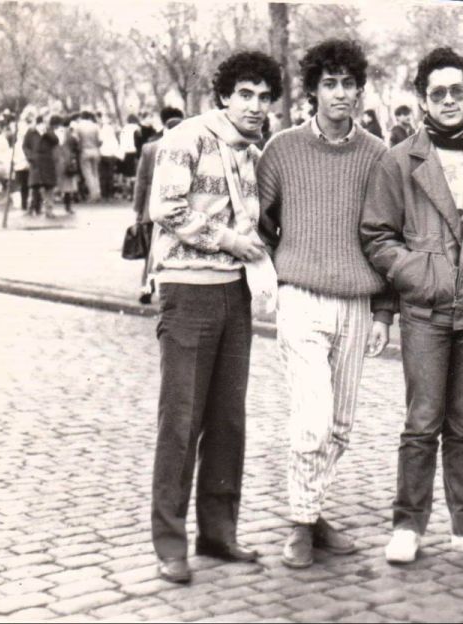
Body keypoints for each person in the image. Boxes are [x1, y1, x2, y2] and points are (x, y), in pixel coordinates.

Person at [362, 47, 463, 565]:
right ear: (423, 100)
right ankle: (407, 525)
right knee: (422, 421)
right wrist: (420, 274)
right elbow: (378, 235)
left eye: (457, 91)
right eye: (438, 93)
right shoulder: (399, 160)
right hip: (426, 312)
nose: (449, 101)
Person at [256, 38, 392, 570]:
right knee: (312, 419)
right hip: (301, 299)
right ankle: (300, 522)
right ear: (312, 90)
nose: (339, 93)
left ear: (360, 91)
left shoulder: (377, 154)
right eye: (328, 83)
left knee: (340, 426)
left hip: (356, 303)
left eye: (348, 84)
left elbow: (387, 235)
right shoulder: (282, 149)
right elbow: (258, 224)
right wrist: (270, 278)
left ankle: (312, 514)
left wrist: (384, 312)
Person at [148, 50, 283, 585]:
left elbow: (256, 220)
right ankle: (170, 544)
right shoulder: (187, 138)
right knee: (181, 420)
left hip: (235, 294)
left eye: (264, 97)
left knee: (228, 420)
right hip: (188, 290)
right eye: (244, 94)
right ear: (224, 95)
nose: (254, 105)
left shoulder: (251, 150)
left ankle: (218, 532)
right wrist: (229, 241)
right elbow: (166, 208)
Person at [133, 107, 184, 305]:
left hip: (150, 208)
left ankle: (147, 287)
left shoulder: (149, 148)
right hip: (177, 209)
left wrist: (138, 211)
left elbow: (140, 182)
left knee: (151, 252)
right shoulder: (188, 149)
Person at [25, 115, 59, 217]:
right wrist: (30, 157)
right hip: (35, 161)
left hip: (47, 161)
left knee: (49, 186)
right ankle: (31, 208)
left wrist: (46, 133)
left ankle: (49, 210)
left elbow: (55, 141)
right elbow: (25, 146)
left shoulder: (49, 131)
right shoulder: (31, 132)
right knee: (34, 186)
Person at [53, 115, 81, 215]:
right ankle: (68, 206)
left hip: (57, 160)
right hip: (67, 159)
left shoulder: (55, 132)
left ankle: (50, 206)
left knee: (56, 184)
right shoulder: (69, 133)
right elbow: (76, 144)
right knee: (68, 186)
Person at [75, 111, 102, 201]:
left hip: (84, 151)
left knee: (88, 174)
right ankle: (98, 193)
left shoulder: (78, 126)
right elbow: (100, 141)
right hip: (95, 150)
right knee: (95, 173)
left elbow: (76, 139)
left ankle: (93, 194)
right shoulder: (95, 126)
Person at [119, 114, 142, 200]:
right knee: (134, 173)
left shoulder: (124, 128)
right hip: (134, 152)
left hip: (124, 153)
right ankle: (133, 193)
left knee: (126, 174)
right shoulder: (137, 128)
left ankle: (126, 193)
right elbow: (139, 141)